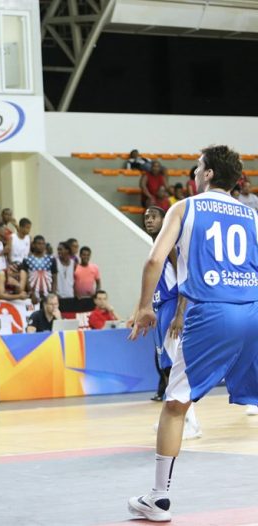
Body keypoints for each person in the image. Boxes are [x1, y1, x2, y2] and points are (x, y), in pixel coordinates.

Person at [127, 145, 258, 521]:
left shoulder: (185, 208)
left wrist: (144, 307)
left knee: (175, 405)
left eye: (198, 167)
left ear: (210, 173)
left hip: (211, 311)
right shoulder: (251, 215)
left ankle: (158, 499)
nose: (195, 173)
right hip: (252, 310)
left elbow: (154, 258)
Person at [140, 207, 202, 438]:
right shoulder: (156, 247)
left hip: (171, 307)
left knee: (176, 369)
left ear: (165, 220)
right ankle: (172, 419)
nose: (149, 220)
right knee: (167, 368)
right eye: (146, 217)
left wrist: (179, 314)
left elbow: (184, 280)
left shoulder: (172, 246)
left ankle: (191, 423)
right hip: (159, 309)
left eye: (153, 217)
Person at [20, 235, 57, 306]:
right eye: (39, 243)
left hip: (48, 294)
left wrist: (53, 293)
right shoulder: (27, 260)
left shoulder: (51, 259)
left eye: (43, 244)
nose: (41, 246)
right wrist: (31, 293)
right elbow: (26, 278)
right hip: (33, 295)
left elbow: (54, 278)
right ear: (33, 245)